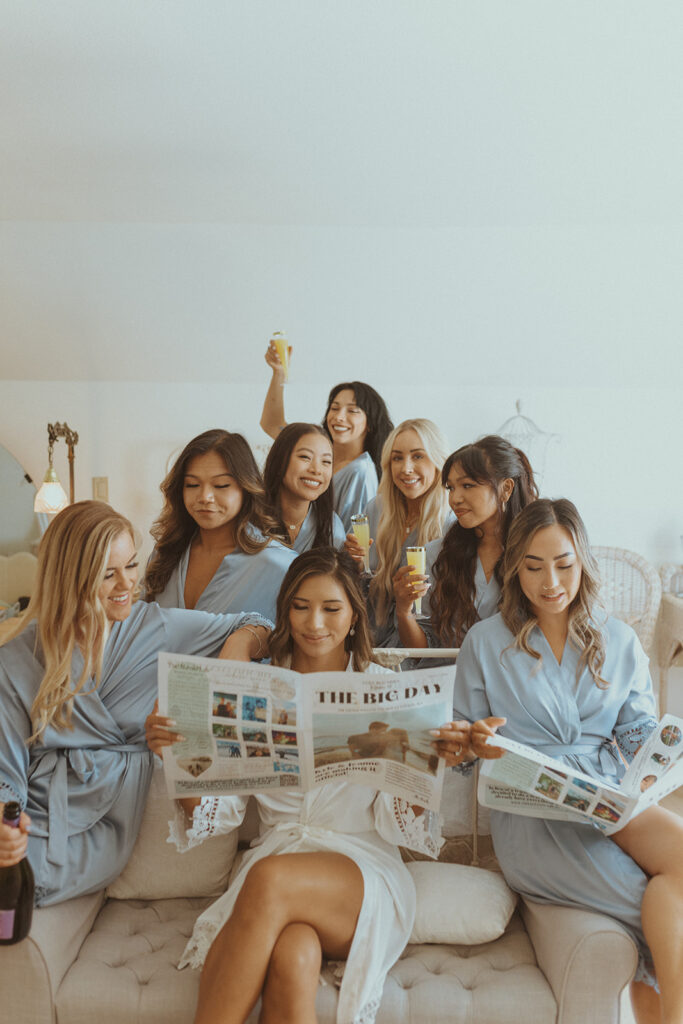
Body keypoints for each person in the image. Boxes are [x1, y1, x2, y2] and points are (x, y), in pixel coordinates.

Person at [146, 548, 442, 1024]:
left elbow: (402, 825)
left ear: (353, 617)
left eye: (331, 608)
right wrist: (175, 757)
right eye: (300, 606)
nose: (314, 623)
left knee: (268, 878)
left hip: (360, 871)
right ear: (284, 610)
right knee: (293, 953)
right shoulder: (257, 688)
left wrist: (428, 764)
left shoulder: (383, 687)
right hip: (279, 866)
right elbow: (217, 813)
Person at [446, 499, 683, 1024]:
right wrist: (475, 743)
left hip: (606, 797)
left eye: (563, 564)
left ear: (583, 561)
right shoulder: (484, 643)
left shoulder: (617, 639)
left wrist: (660, 756)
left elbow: (638, 733)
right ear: (513, 568)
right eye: (533, 566)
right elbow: (459, 750)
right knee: (661, 908)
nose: (550, 581)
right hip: (533, 811)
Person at [0, 501, 272, 906]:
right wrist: (6, 823)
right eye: (108, 574)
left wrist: (228, 664)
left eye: (131, 565)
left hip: (102, 822)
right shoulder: (19, 656)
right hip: (32, 808)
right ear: (68, 578)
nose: (127, 583)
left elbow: (259, 625)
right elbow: (6, 764)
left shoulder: (156, 627)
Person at [402, 435, 537, 655]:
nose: (455, 499)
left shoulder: (536, 554)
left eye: (467, 485)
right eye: (451, 488)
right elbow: (423, 651)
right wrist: (403, 611)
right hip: (449, 683)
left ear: (506, 489)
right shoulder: (435, 555)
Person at [144, 429, 297, 623]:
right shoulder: (164, 553)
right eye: (192, 485)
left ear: (245, 487)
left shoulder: (279, 565)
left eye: (221, 485)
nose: (204, 497)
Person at [259, 340, 393, 531]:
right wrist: (278, 373)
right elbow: (272, 424)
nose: (339, 417)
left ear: (370, 423)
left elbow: (352, 538)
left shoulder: (360, 472)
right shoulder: (316, 446)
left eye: (352, 411)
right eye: (335, 408)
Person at [346, 418, 453, 648]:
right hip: (368, 645)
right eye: (397, 458)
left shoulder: (451, 524)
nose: (406, 468)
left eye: (417, 456)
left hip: (423, 655)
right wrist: (351, 562)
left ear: (438, 461)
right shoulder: (376, 509)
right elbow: (354, 585)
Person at [263, 422, 346, 552]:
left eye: (326, 462)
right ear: (279, 461)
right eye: (305, 457)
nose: (317, 470)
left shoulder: (333, 528)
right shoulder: (249, 520)